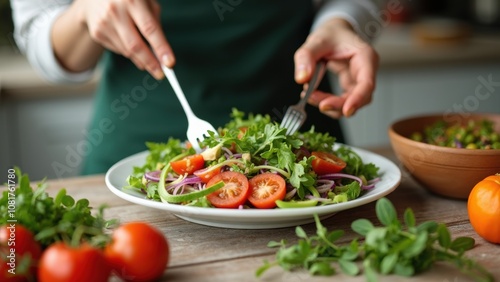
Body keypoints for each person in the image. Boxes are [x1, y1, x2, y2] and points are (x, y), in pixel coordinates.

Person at [11, 0, 383, 176]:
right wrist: (84, 13)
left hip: (306, 144)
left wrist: (342, 20)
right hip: (131, 150)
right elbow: (37, 34)